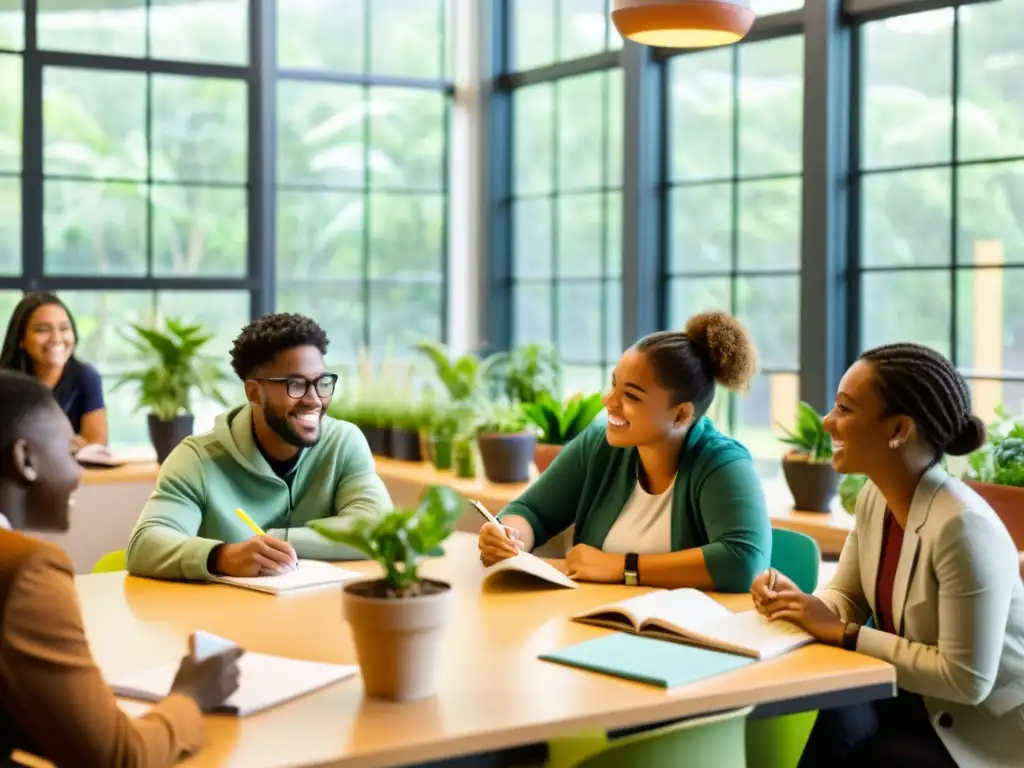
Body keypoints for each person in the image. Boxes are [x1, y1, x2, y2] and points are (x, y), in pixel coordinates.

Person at [751, 343, 1024, 767]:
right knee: (826, 712)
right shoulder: (876, 496)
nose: (827, 421)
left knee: (870, 754)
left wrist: (843, 633)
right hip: (916, 701)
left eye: (844, 408)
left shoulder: (963, 527)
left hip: (983, 732)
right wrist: (797, 603)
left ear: (898, 430)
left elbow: (967, 681)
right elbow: (848, 598)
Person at [0, 370, 242, 766]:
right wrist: (190, 697)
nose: (79, 472)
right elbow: (118, 757)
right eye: (69, 451)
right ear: (25, 459)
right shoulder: (27, 569)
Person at [478, 310, 770, 593]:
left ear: (680, 415)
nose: (609, 401)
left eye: (631, 395)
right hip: (593, 623)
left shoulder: (722, 463)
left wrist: (622, 568)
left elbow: (743, 561)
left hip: (685, 638)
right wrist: (509, 536)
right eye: (614, 384)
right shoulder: (598, 444)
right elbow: (533, 512)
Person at [126, 313, 391, 581]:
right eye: (296, 385)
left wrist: (274, 540)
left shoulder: (343, 442)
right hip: (227, 619)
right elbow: (144, 545)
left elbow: (378, 531)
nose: (314, 400)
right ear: (254, 393)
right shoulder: (197, 458)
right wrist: (222, 556)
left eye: (322, 383)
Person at [0, 292, 108, 448]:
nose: (56, 338)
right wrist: (71, 443)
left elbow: (96, 444)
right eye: (42, 329)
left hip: (71, 471)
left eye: (64, 328)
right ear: (21, 339)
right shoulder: (6, 383)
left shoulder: (86, 377)